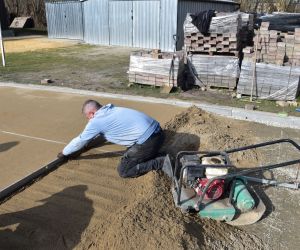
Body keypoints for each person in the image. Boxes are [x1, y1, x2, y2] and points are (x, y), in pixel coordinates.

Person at [58, 99, 170, 178]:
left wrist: (64, 152)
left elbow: (80, 140)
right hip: (159, 133)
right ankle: (158, 154)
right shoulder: (111, 109)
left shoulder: (96, 121)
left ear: (91, 113)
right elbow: (103, 135)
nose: (88, 120)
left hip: (149, 141)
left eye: (88, 117)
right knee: (132, 152)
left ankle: (161, 162)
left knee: (124, 170)